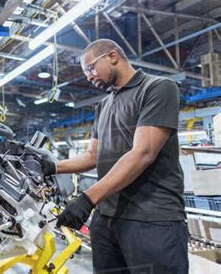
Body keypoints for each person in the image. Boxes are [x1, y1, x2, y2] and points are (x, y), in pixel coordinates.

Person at [41, 39, 188, 273]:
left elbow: (143, 153)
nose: (88, 77)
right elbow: (92, 156)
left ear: (112, 56)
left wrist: (88, 198)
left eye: (90, 68)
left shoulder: (158, 88)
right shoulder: (103, 105)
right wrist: (50, 166)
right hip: (106, 218)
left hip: (152, 219)